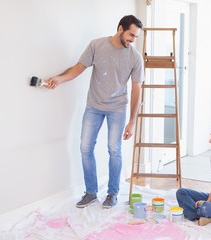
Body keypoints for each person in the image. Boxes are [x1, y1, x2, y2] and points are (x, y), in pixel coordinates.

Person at [45, 15, 144, 208]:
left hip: (117, 108)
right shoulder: (97, 46)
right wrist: (59, 79)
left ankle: (112, 193)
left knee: (114, 150)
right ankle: (91, 192)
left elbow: (136, 89)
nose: (133, 39)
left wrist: (132, 121)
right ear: (120, 29)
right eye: (131, 34)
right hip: (94, 106)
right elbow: (78, 69)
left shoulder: (135, 57)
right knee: (85, 147)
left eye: (136, 36)